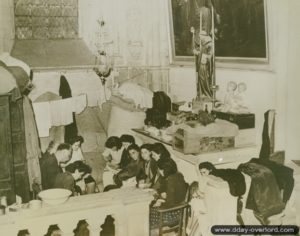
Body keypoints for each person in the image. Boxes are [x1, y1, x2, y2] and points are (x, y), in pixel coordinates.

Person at [150, 160, 188, 230]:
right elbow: (172, 193)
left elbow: (170, 202)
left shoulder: (170, 180)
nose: (160, 172)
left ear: (166, 169)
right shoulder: (178, 175)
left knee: (147, 212)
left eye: (160, 170)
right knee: (153, 203)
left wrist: (159, 202)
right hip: (179, 210)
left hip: (173, 213)